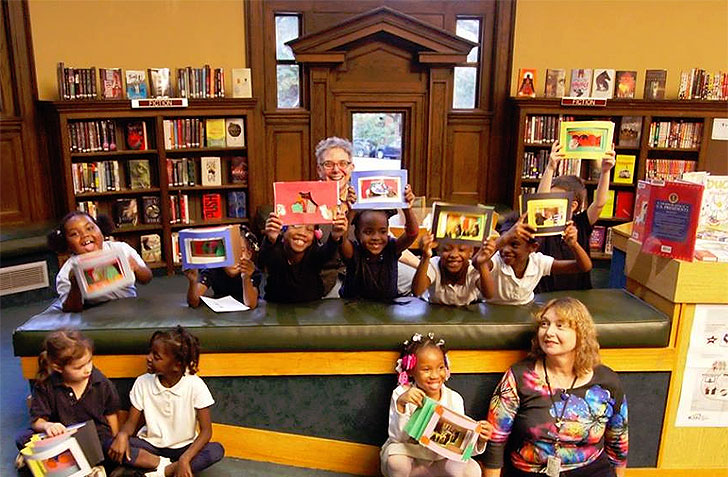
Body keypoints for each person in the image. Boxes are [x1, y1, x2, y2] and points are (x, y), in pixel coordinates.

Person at [483, 297, 628, 477]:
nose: (549, 332)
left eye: (560, 326)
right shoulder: (518, 377)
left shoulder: (607, 381)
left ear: (581, 333)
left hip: (590, 470)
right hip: (530, 471)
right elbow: (495, 439)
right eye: (544, 324)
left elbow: (618, 442)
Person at [109, 326, 224, 477]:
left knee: (216, 450)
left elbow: (206, 431)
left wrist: (185, 458)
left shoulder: (195, 385)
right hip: (151, 447)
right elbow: (131, 424)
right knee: (111, 445)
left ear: (176, 365)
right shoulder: (142, 382)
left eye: (156, 357)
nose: (148, 358)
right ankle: (167, 469)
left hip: (184, 447)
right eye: (150, 352)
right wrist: (122, 435)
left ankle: (157, 471)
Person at [381, 332, 493, 477]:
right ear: (411, 371)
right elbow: (397, 439)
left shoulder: (454, 399)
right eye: (426, 369)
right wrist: (401, 405)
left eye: (440, 367)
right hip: (412, 462)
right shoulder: (402, 394)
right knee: (396, 460)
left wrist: (479, 439)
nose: (435, 375)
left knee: (473, 470)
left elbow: (459, 447)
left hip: (439, 462)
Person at [15, 331, 120, 466]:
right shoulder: (46, 385)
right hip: (60, 439)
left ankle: (44, 461)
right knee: (23, 439)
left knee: (107, 446)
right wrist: (48, 426)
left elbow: (111, 414)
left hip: (94, 437)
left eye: (89, 362)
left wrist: (115, 440)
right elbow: (37, 421)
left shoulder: (101, 382)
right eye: (79, 367)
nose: (87, 369)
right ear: (58, 367)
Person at [535, 141, 616, 292]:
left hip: (577, 291)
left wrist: (605, 172)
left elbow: (599, 204)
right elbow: (540, 201)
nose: (549, 204)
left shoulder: (581, 223)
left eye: (555, 199)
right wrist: (550, 167)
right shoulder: (545, 224)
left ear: (573, 206)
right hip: (546, 291)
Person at [47, 211, 153, 312]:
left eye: (90, 228)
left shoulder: (121, 249)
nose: (85, 235)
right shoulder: (68, 271)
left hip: (129, 305)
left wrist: (137, 268)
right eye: (74, 234)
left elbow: (147, 278)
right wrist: (75, 285)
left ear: (101, 229)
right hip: (95, 313)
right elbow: (70, 308)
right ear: (66, 243)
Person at [484, 213, 592, 305]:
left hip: (524, 311)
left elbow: (583, 267)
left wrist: (574, 245)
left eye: (514, 244)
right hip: (492, 314)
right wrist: (502, 239)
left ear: (532, 247)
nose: (506, 249)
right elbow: (478, 261)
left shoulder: (538, 262)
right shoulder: (494, 261)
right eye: (503, 243)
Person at [338, 184, 418, 300]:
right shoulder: (353, 252)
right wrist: (352, 209)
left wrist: (406, 207)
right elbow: (341, 237)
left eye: (382, 231)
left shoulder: (391, 248)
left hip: (386, 310)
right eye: (368, 232)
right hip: (354, 311)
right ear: (357, 234)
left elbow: (412, 233)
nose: (376, 237)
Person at [258, 210, 348, 303]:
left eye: (309, 229)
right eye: (296, 226)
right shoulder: (275, 249)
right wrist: (271, 240)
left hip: (311, 309)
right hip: (276, 308)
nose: (302, 233)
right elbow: (264, 258)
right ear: (283, 230)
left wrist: (334, 237)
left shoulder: (315, 252)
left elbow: (328, 252)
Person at [185, 225, 262, 309]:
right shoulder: (213, 269)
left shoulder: (252, 271)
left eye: (241, 250)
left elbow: (251, 304)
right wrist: (193, 282)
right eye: (228, 251)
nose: (233, 257)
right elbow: (193, 302)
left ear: (249, 254)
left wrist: (246, 277)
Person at [411, 233, 496, 305]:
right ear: (438, 251)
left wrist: (482, 264)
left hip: (466, 314)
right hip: (436, 313)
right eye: (447, 249)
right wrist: (425, 257)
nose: (454, 255)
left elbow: (489, 294)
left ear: (471, 252)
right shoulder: (434, 265)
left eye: (461, 250)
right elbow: (417, 291)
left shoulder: (472, 269)